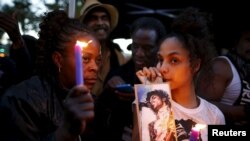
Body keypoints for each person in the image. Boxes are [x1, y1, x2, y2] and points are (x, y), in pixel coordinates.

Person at [0, 10, 101, 141]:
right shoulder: (21, 101)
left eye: (98, 60)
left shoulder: (90, 101)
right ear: (58, 60)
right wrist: (65, 131)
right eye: (85, 59)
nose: (95, 67)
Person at [134, 7, 225, 141]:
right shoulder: (148, 100)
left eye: (174, 60)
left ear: (195, 65)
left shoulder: (214, 116)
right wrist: (154, 91)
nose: (163, 68)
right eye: (160, 60)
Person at [94, 17, 167, 140]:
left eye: (147, 48)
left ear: (159, 48)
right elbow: (99, 118)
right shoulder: (118, 74)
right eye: (135, 46)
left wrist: (142, 97)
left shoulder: (167, 78)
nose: (139, 53)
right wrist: (107, 91)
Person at [196, 15, 250, 125]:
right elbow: (203, 106)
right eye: (249, 40)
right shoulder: (221, 66)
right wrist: (244, 111)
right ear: (236, 41)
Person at [78, 0, 129, 96]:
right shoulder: (76, 55)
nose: (100, 23)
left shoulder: (118, 56)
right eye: (93, 18)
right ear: (84, 25)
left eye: (104, 18)